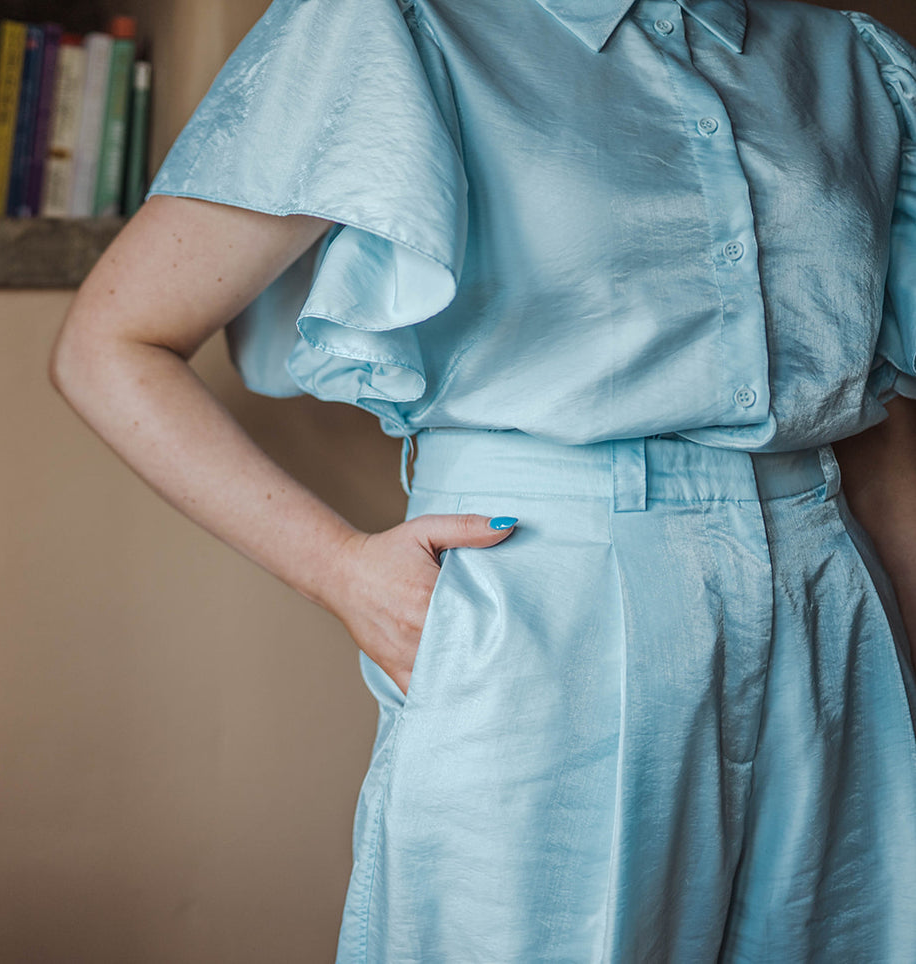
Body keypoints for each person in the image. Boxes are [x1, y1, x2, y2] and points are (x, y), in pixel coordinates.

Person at [48, 0, 916, 958]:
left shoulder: (852, 62)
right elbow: (111, 344)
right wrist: (338, 570)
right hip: (550, 604)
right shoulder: (396, 27)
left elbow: (874, 417)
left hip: (834, 618)